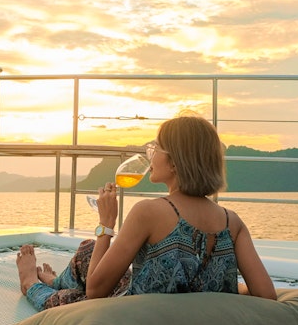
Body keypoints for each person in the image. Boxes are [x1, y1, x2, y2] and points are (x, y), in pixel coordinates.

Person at [16, 114, 277, 311]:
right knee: (87, 250)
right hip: (173, 306)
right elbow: (266, 295)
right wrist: (218, 289)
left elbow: (96, 291)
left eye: (155, 147)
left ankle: (32, 283)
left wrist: (106, 225)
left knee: (75, 299)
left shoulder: (149, 212)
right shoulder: (233, 222)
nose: (149, 154)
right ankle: (56, 280)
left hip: (133, 316)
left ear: (174, 162)